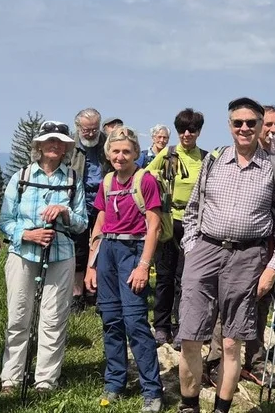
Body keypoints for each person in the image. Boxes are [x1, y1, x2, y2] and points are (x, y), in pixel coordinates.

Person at [177, 97, 275, 413]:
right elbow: (191, 213)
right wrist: (192, 251)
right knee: (190, 337)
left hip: (248, 257)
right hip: (205, 250)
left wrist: (271, 269)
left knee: (232, 342)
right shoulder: (213, 161)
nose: (244, 128)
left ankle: (221, 409)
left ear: (260, 126)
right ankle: (189, 405)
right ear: (230, 125)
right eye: (237, 122)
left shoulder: (274, 168)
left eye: (251, 123)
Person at [0, 120, 89, 394]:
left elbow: (82, 223)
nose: (54, 145)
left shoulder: (73, 179)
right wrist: (27, 234)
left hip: (60, 254)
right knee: (18, 315)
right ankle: (11, 378)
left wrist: (64, 213)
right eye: (49, 140)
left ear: (66, 148)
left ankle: (45, 381)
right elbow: (5, 220)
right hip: (23, 253)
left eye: (60, 142)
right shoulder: (21, 177)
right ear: (39, 145)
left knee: (54, 317)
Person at [85, 126, 165, 412]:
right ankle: (115, 382)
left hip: (133, 253)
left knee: (135, 323)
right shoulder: (107, 182)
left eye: (126, 152)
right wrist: (91, 265)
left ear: (135, 154)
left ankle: (152, 391)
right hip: (107, 252)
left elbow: (154, 226)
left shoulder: (145, 180)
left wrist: (144, 266)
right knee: (111, 321)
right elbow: (100, 222)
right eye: (115, 151)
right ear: (108, 153)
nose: (120, 157)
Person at [145, 108, 207, 347]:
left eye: (192, 129)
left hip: (194, 223)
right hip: (169, 220)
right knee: (164, 277)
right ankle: (161, 327)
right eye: (182, 129)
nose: (186, 134)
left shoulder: (205, 157)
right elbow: (145, 178)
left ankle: (183, 327)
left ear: (199, 131)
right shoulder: (168, 154)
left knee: (186, 279)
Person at [71, 108, 112, 310]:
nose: (90, 134)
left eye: (94, 129)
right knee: (78, 248)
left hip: (103, 199)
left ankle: (95, 292)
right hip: (78, 200)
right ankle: (77, 294)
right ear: (78, 128)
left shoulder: (108, 143)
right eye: (86, 130)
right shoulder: (70, 145)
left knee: (101, 247)